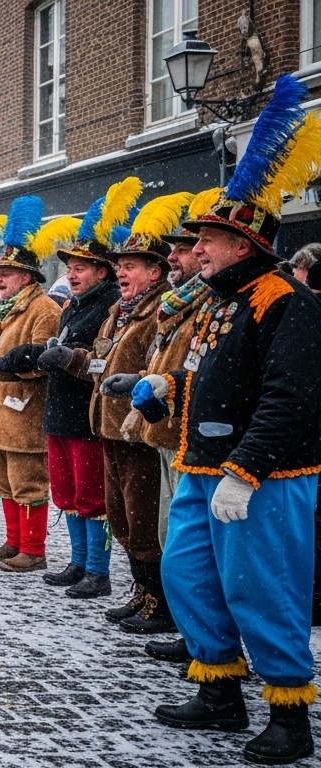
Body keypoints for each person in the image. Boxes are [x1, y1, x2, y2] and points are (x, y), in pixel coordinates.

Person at [134, 78, 321, 763]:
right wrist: (169, 387)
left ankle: (288, 713)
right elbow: (216, 380)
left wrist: (245, 471)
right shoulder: (221, 304)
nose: (197, 250)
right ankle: (218, 692)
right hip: (202, 470)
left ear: (244, 244)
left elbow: (291, 397)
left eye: (208, 238)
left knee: (262, 592)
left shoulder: (285, 302)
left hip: (262, 477)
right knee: (191, 578)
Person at [82, 193, 188, 621]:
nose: (121, 272)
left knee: (144, 520)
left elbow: (164, 365)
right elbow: (99, 356)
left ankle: (158, 602)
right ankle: (141, 592)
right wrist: (74, 359)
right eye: (120, 266)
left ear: (155, 271)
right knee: (122, 519)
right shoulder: (119, 309)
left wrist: (138, 386)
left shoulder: (162, 309)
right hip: (108, 425)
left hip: (139, 429)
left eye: (130, 266)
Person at [35, 183, 130, 587]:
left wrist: (70, 358)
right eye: (69, 268)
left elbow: (102, 361)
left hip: (87, 416)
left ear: (102, 272)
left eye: (80, 268)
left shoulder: (109, 305)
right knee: (68, 494)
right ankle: (77, 562)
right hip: (60, 410)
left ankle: (98, 570)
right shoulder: (73, 304)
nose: (71, 275)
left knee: (93, 498)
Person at [122, 216, 206, 663]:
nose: (174, 256)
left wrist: (163, 386)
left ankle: (192, 630)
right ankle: (185, 625)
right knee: (163, 532)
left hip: (191, 437)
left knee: (181, 541)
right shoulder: (180, 302)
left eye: (186, 247)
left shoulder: (208, 303)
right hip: (162, 429)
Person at [0, 196, 64, 573]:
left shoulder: (43, 309)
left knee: (27, 480)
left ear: (26, 277)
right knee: (2, 479)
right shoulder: (1, 308)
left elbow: (42, 361)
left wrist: (10, 367)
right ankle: (13, 541)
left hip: (24, 407)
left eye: (6, 273)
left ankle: (33, 548)